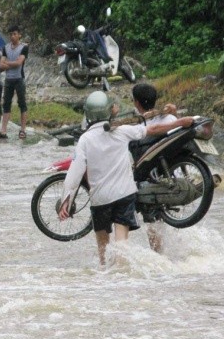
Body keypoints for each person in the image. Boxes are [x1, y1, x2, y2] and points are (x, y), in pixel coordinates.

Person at [58, 91, 194, 266]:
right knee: (121, 244)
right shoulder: (122, 131)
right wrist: (179, 122)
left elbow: (75, 172)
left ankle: (105, 277)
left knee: (103, 250)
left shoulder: (85, 139)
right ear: (109, 111)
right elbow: (152, 129)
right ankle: (122, 278)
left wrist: (65, 200)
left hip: (100, 199)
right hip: (124, 195)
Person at [130, 83, 178, 253]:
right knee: (157, 221)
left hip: (146, 181)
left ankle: (158, 257)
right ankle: (161, 255)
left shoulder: (135, 127)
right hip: (167, 175)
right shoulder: (170, 119)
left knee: (152, 221)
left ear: (136, 103)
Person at [0, 25, 29, 139]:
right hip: (8, 79)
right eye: (11, 34)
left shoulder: (24, 47)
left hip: (19, 78)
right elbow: (1, 64)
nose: (12, 36)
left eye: (15, 34)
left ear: (19, 35)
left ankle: (23, 129)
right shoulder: (6, 47)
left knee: (22, 103)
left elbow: (19, 63)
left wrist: (7, 63)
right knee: (6, 103)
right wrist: (11, 63)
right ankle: (4, 129)